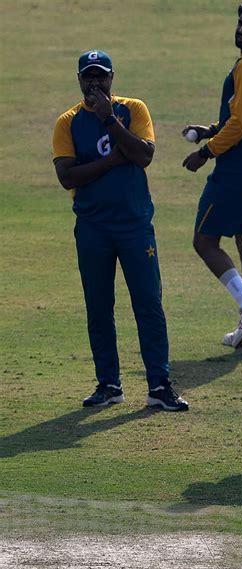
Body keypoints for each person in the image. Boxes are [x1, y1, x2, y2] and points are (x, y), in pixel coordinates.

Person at [52, 49, 188, 411]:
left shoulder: (133, 109)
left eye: (101, 76)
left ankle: (159, 385)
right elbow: (66, 175)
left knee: (148, 304)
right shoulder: (68, 122)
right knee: (99, 306)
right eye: (88, 76)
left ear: (112, 78)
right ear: (79, 79)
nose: (94, 82)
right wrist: (113, 159)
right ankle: (109, 384)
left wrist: (109, 120)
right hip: (93, 227)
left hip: (134, 226)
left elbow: (144, 155)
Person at [182, 1, 242, 349]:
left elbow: (240, 124)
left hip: (237, 169)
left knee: (205, 240)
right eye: (240, 22)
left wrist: (206, 151)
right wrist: (211, 129)